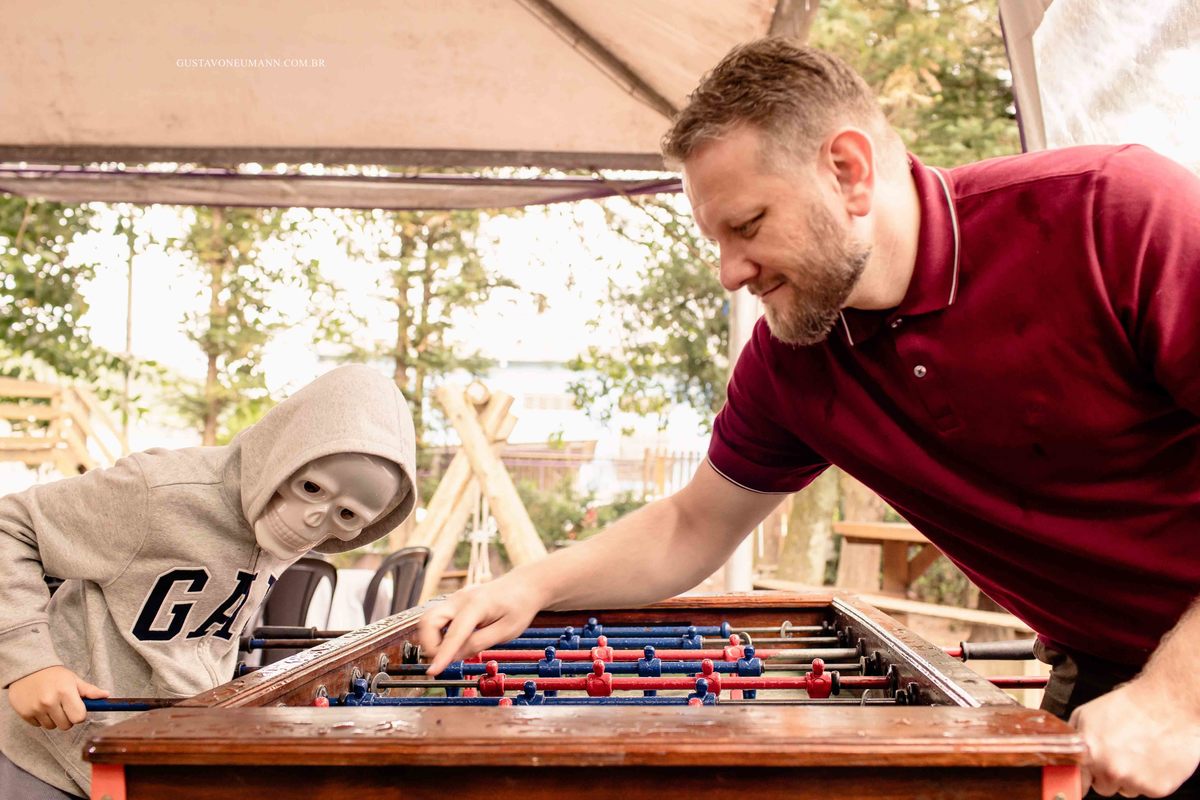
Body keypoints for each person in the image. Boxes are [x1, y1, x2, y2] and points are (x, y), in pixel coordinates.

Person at [418, 39, 1200, 799]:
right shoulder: (790, 361)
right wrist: (529, 586)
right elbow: (692, 525)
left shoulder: (1114, 211)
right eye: (716, 239)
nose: (730, 273)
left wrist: (1175, 701)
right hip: (1102, 679)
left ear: (848, 172)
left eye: (748, 225)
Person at [0, 364, 417, 798]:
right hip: (52, 747)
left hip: (164, 750)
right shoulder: (157, 493)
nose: (316, 518)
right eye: (311, 488)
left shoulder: (288, 533)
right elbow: (9, 525)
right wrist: (30, 662)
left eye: (346, 515)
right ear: (282, 454)